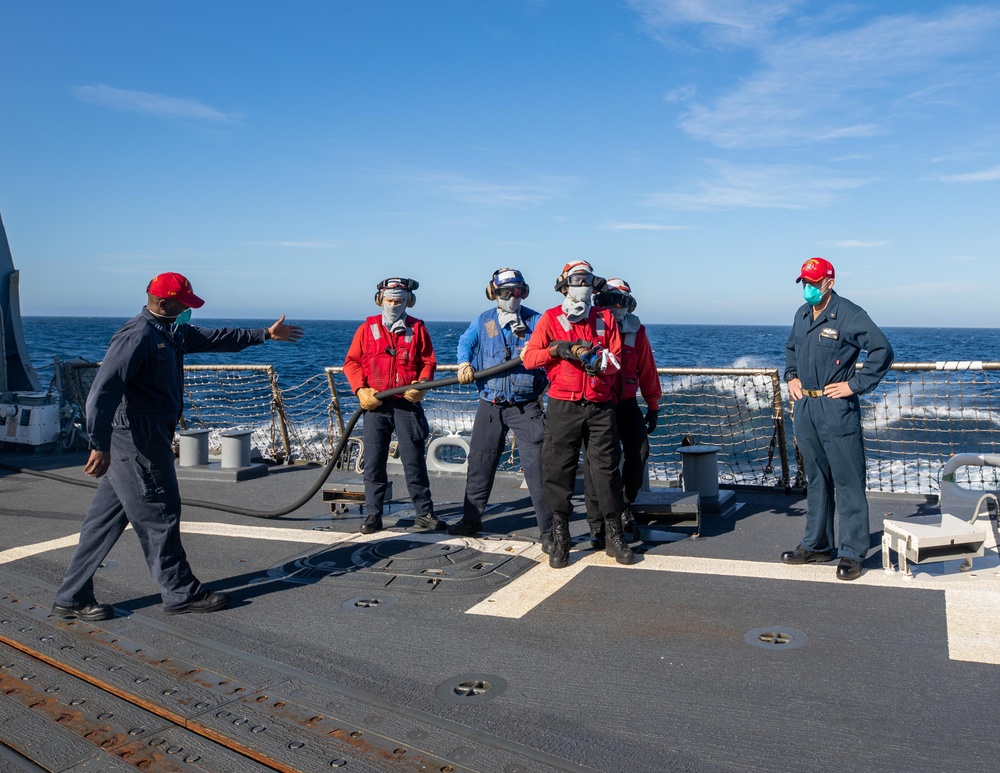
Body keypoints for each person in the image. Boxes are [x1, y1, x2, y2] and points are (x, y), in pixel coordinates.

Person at [52, 272, 303, 621]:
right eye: (183, 303)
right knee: (160, 515)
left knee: (103, 522)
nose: (188, 309)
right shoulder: (136, 336)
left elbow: (218, 337)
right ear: (163, 302)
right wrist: (99, 443)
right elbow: (102, 392)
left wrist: (265, 335)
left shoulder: (170, 332)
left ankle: (71, 597)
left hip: (147, 436)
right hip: (136, 439)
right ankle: (180, 592)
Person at [781, 257, 894, 581]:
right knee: (816, 480)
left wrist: (854, 385)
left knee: (847, 482)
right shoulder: (802, 314)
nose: (809, 288)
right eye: (805, 282)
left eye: (814, 283)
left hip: (835, 408)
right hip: (806, 406)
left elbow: (882, 351)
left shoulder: (849, 314)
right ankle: (816, 545)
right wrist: (791, 377)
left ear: (829, 282)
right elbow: (791, 350)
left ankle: (852, 552)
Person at [522, 260, 634, 569]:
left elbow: (617, 361)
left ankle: (614, 535)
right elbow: (531, 358)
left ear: (593, 285)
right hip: (563, 404)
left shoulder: (605, 319)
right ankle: (561, 537)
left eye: (586, 279)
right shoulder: (551, 318)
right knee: (559, 471)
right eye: (576, 278)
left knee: (607, 470)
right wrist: (557, 351)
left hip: (599, 405)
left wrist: (600, 363)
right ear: (564, 284)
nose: (581, 284)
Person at [447, 268, 553, 551]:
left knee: (537, 469)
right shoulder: (484, 321)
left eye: (517, 291)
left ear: (524, 291)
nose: (512, 297)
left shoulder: (537, 320)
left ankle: (549, 531)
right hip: (490, 404)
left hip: (526, 405)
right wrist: (463, 363)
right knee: (480, 463)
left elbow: (552, 354)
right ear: (494, 293)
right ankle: (471, 520)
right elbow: (465, 343)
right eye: (506, 292)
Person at [343, 277, 444, 535]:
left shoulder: (418, 329)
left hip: (407, 405)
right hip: (376, 405)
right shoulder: (366, 329)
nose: (393, 305)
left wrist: (421, 385)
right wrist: (360, 390)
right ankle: (373, 514)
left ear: (408, 302)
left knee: (414, 461)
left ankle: (424, 513)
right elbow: (351, 363)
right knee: (374, 461)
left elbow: (427, 362)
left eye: (399, 301)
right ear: (380, 300)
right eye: (389, 300)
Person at [584, 278, 662, 548]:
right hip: (597, 403)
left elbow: (647, 369)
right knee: (597, 463)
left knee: (639, 451)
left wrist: (653, 404)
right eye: (610, 300)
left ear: (630, 304)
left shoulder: (636, 332)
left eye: (622, 301)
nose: (616, 305)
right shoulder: (590, 327)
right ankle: (597, 526)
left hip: (626, 402)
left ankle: (624, 505)